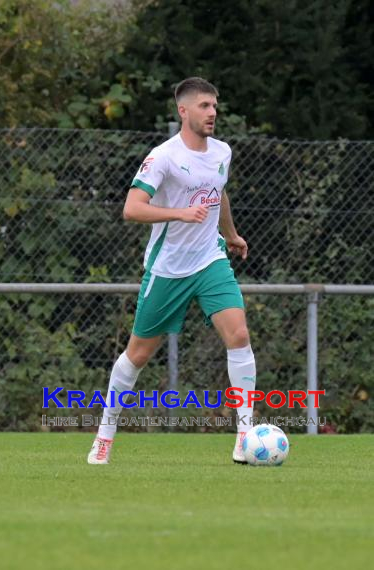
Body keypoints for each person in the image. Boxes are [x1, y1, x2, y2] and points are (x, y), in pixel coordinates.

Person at [88, 77, 257, 465]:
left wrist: (230, 234)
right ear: (183, 111)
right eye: (204, 106)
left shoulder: (222, 152)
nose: (212, 113)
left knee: (239, 334)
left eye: (215, 106)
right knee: (138, 355)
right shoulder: (163, 156)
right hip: (168, 268)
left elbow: (219, 192)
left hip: (209, 260)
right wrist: (179, 213)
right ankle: (104, 436)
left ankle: (245, 435)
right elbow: (132, 208)